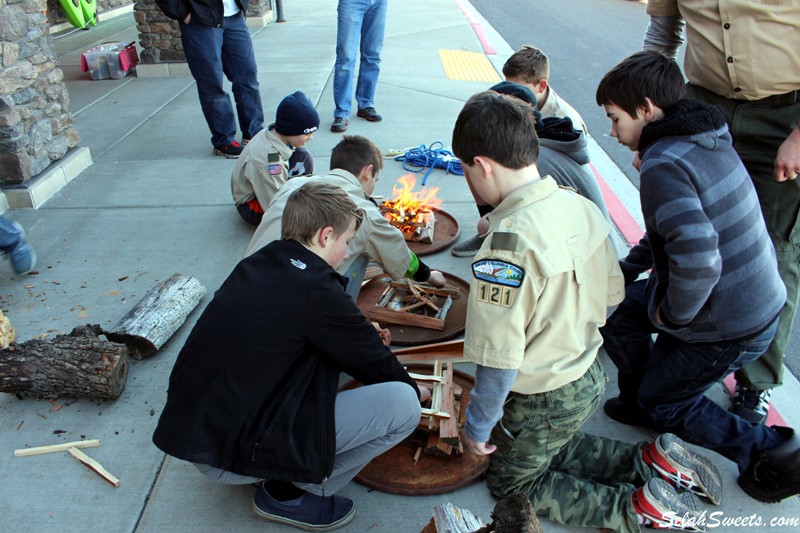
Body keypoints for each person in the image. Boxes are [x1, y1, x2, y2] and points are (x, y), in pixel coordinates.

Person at [454, 90, 721, 532]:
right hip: (589, 373)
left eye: (466, 170)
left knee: (511, 478)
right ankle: (650, 461)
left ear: (482, 165)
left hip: (542, 396)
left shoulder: (505, 246)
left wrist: (477, 427)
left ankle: (634, 511)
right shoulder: (579, 205)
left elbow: (497, 360)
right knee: (543, 441)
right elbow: (613, 295)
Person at [152, 181, 428, 531]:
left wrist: (350, 334)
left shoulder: (261, 261)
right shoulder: (317, 288)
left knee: (340, 368)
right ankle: (292, 491)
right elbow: (376, 361)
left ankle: (277, 470)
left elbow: (295, 330)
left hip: (203, 433)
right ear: (326, 236)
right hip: (231, 452)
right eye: (346, 242)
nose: (346, 253)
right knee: (403, 404)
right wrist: (416, 387)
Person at [596, 50, 800, 504]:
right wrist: (622, 274)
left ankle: (774, 454)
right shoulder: (702, 134)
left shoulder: (664, 163)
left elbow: (700, 262)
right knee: (618, 313)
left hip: (729, 321)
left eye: (615, 119)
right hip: (742, 297)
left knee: (668, 405)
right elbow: (670, 234)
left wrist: (671, 317)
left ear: (646, 110)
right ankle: (641, 397)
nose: (611, 132)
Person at [642, 0, 800, 424]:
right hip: (702, 104)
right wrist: (651, 121)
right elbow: (662, 37)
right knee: (681, 229)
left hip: (783, 115)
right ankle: (680, 337)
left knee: (773, 246)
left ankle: (755, 383)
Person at [245, 135, 445, 298]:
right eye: (376, 179)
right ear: (367, 172)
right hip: (291, 304)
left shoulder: (292, 185)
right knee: (366, 249)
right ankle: (341, 308)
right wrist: (428, 275)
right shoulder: (363, 212)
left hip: (246, 280)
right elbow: (398, 253)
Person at [451, 81, 616, 258]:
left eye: (471, 170)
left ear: (484, 167)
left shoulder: (508, 244)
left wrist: (495, 242)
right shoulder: (531, 160)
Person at [154, 0, 264, 158]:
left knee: (248, 77)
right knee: (211, 84)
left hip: (234, 17)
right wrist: (182, 13)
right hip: (201, 21)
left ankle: (253, 133)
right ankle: (224, 140)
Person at [231, 91, 319, 225]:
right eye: (307, 133)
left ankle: (299, 196)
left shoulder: (275, 133)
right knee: (305, 215)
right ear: (291, 130)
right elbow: (276, 205)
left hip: (262, 183)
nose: (311, 138)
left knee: (303, 156)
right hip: (251, 204)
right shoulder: (268, 162)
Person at [330, 0, 388, 133]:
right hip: (352, 3)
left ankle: (366, 104)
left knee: (372, 54)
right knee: (346, 57)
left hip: (379, 3)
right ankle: (342, 112)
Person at [502, 45, 588, 134]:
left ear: (542, 86)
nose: (510, 95)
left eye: (519, 89)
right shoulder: (510, 100)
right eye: (507, 84)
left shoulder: (567, 126)